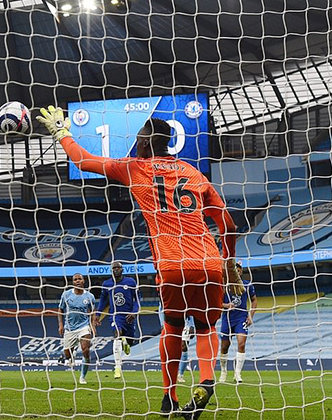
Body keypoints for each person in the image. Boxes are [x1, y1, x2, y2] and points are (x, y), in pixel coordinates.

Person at [37, 107, 244, 418]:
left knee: (173, 327)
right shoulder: (194, 173)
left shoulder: (135, 168)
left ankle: (168, 397)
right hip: (209, 262)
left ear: (146, 144)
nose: (135, 143)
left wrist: (62, 132)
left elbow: (83, 161)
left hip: (172, 264)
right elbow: (228, 225)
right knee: (205, 327)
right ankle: (206, 381)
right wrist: (228, 264)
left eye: (138, 139)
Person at [95, 261, 141, 380]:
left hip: (129, 316)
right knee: (117, 334)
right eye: (113, 268)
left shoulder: (130, 282)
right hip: (115, 315)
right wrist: (97, 314)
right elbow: (102, 300)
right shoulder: (107, 284)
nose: (116, 269)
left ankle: (127, 343)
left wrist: (134, 312)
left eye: (118, 267)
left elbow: (137, 300)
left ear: (122, 269)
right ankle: (117, 367)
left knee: (130, 342)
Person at [218, 262, 257, 384]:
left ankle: (237, 373)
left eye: (239, 269)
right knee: (225, 347)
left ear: (241, 271)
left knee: (241, 344)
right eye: (235, 269)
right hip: (227, 319)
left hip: (242, 318)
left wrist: (250, 316)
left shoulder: (247, 285)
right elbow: (217, 303)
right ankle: (223, 371)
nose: (237, 271)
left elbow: (254, 300)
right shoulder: (224, 285)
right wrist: (226, 305)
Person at [57, 273, 96, 385]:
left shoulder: (89, 296)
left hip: (84, 327)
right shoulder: (66, 295)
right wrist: (60, 325)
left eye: (80, 279)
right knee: (67, 355)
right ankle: (71, 354)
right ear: (72, 282)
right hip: (69, 328)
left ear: (83, 281)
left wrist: (92, 326)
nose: (77, 281)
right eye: (75, 279)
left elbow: (93, 312)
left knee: (85, 349)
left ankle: (82, 377)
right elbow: (60, 310)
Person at [157, 303, 195, 383]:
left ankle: (180, 374)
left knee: (184, 347)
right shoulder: (167, 294)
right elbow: (161, 309)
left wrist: (192, 325)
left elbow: (190, 309)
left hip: (185, 322)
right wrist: (162, 324)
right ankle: (170, 374)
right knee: (171, 348)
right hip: (170, 322)